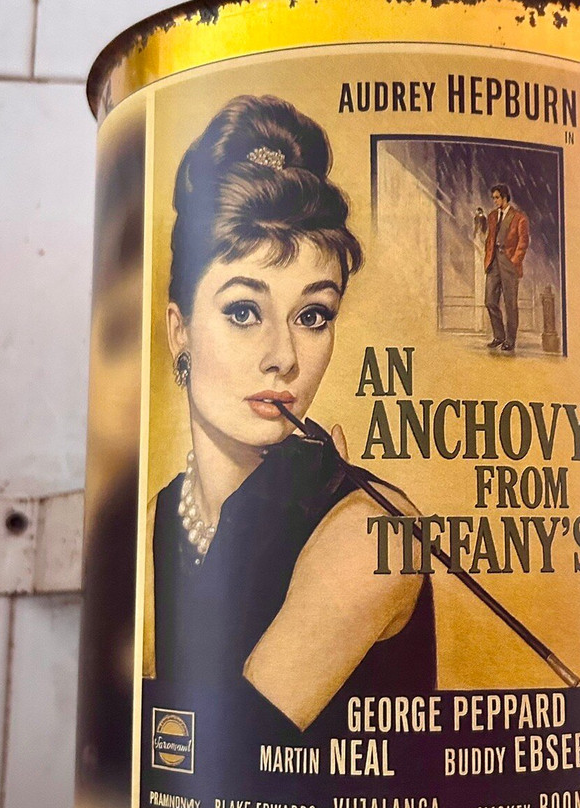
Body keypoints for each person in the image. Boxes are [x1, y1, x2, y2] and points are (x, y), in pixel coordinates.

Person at [142, 95, 435, 736]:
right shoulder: (161, 515)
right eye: (244, 311)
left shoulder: (371, 533)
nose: (284, 357)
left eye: (312, 315)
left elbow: (230, 756)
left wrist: (270, 510)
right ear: (179, 331)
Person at [483, 183, 530, 352]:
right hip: (494, 262)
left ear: (504, 197)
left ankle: (510, 340)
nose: (494, 201)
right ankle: (499, 336)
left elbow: (523, 242)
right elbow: (489, 239)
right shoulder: (492, 216)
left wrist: (515, 261)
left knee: (510, 304)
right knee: (490, 301)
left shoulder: (519, 217)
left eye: (497, 197)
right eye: (493, 198)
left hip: (509, 264)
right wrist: (488, 258)